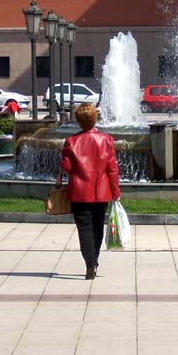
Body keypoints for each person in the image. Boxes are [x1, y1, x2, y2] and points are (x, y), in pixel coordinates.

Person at [59, 103, 121, 280]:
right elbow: (112, 169)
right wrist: (115, 191)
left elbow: (66, 167)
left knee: (84, 229)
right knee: (97, 228)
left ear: (78, 121)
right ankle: (95, 260)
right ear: (95, 119)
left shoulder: (71, 141)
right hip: (101, 192)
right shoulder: (106, 140)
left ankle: (90, 263)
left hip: (79, 192)